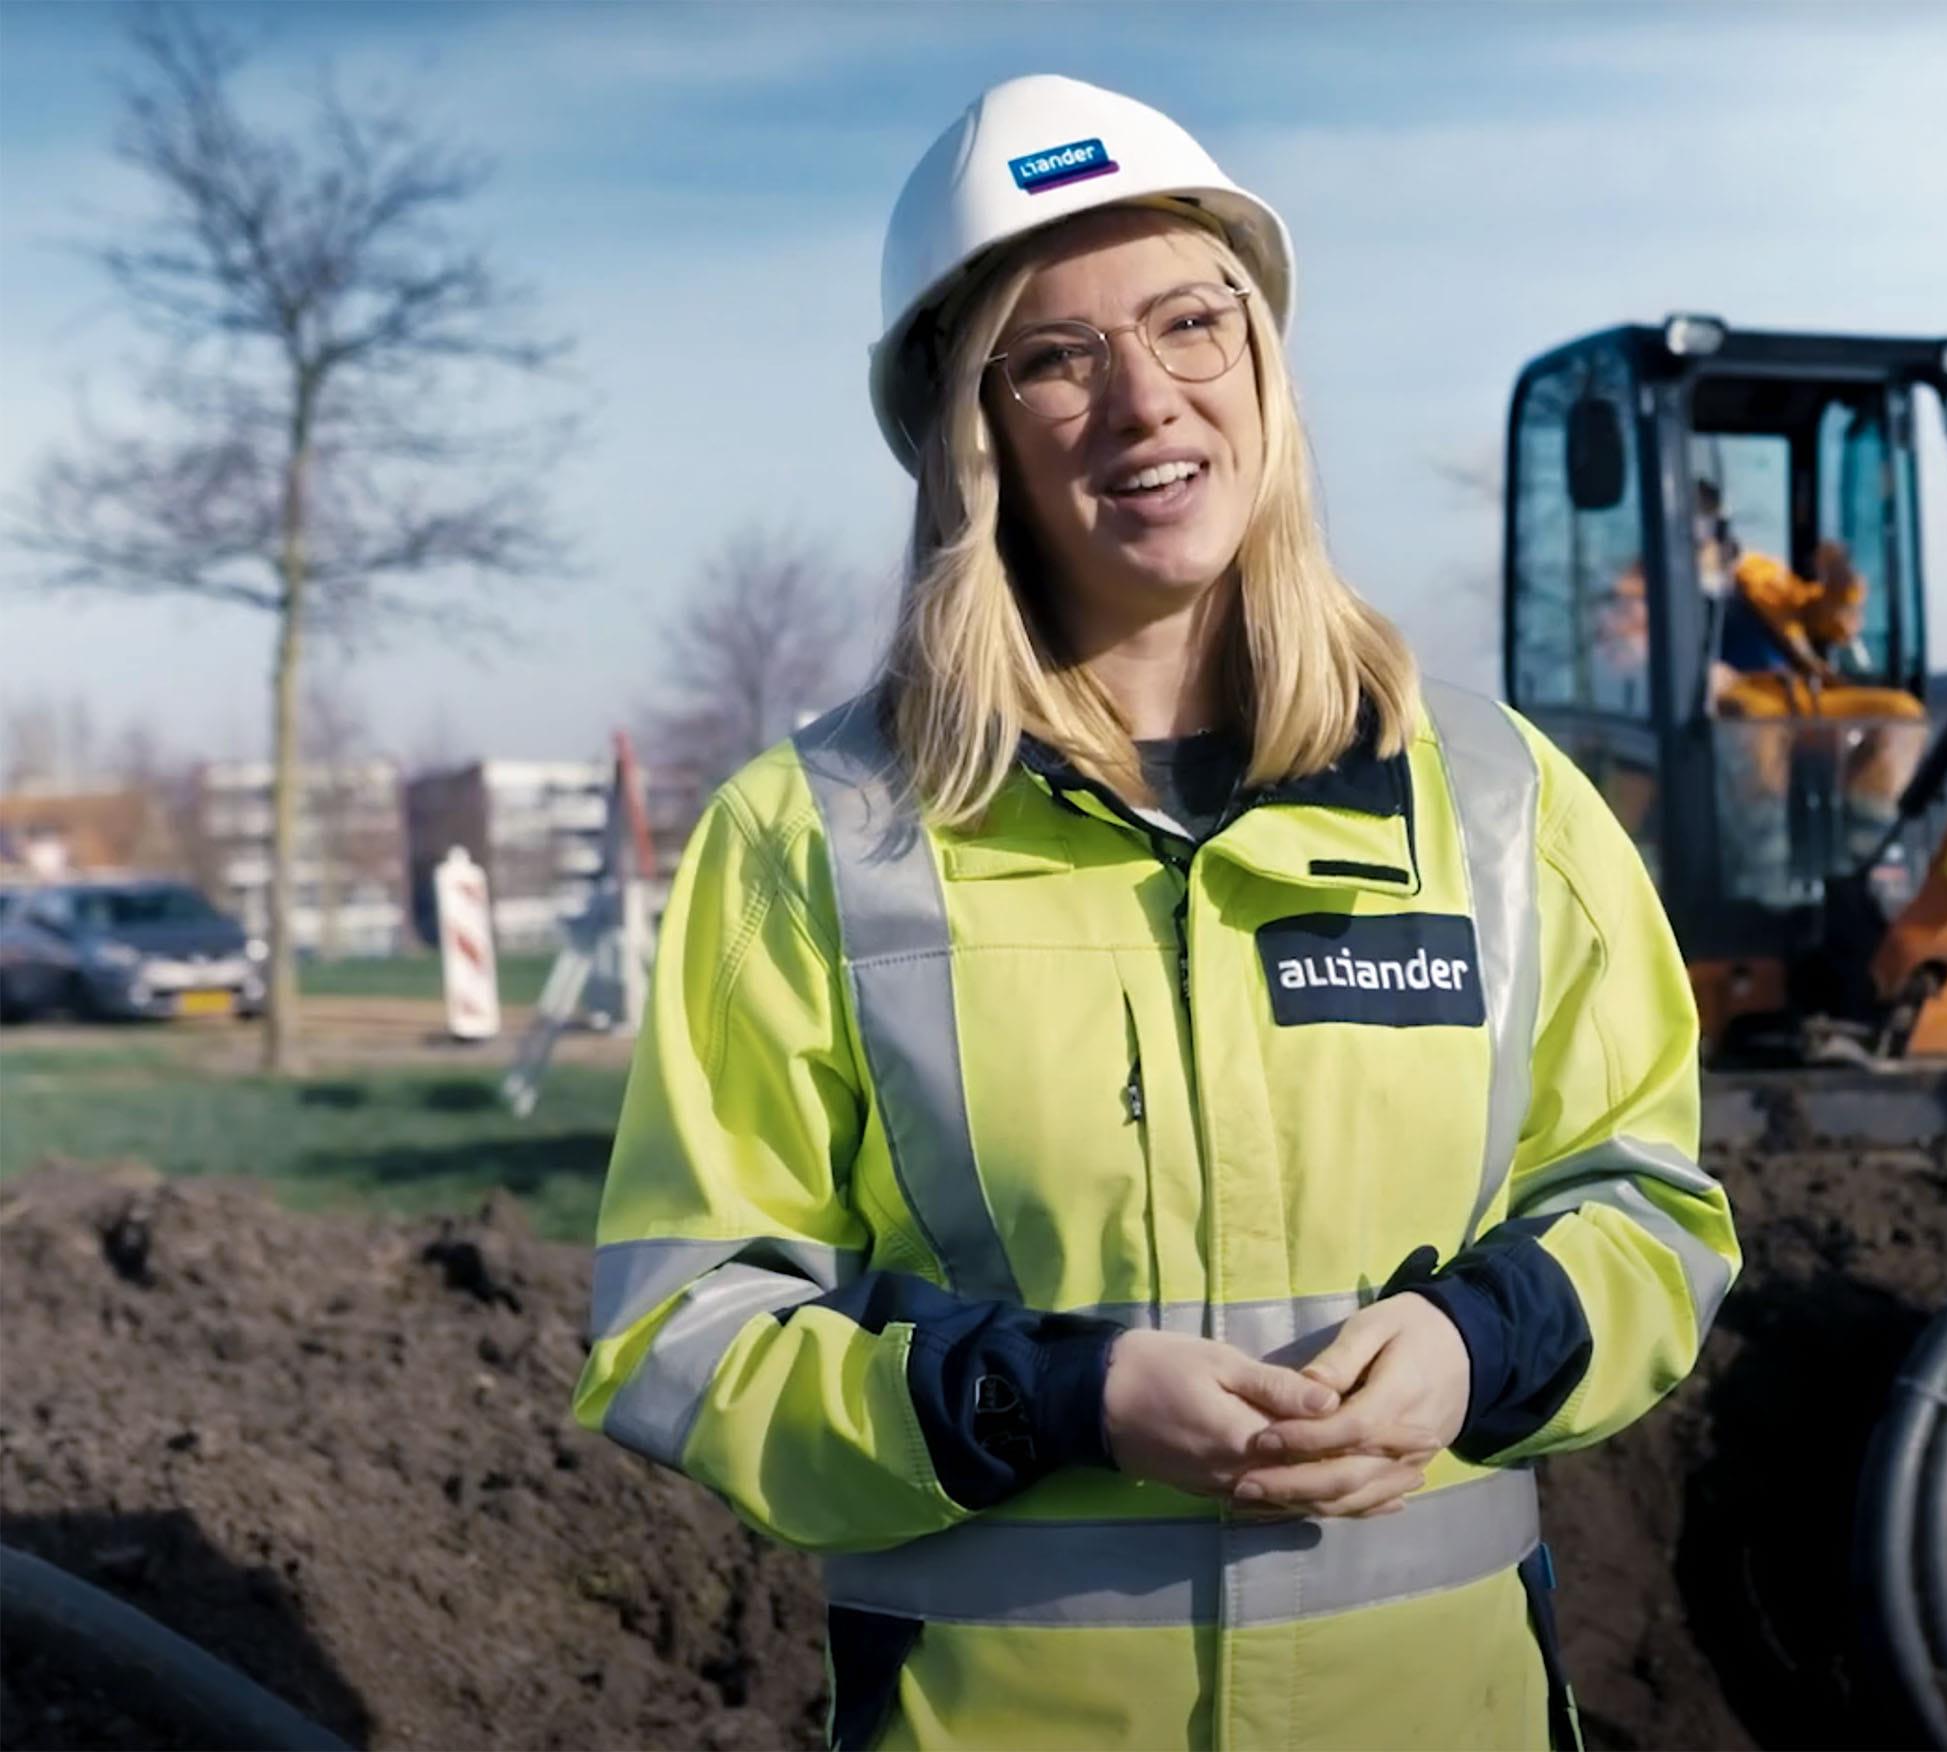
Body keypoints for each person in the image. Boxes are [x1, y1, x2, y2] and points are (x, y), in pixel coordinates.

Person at [572, 74, 1736, 1751]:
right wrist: (1062, 1400)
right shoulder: (813, 841)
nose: (1143, 402)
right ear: (964, 433)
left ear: (1263, 363)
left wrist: (1475, 1347)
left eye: (1193, 324)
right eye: (1054, 356)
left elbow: (1648, 1212)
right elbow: (685, 1330)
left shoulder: (1496, 802)